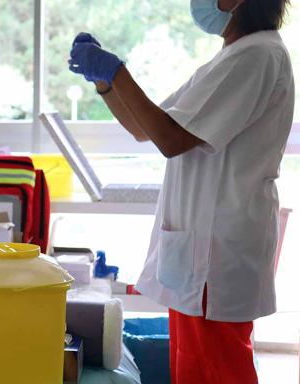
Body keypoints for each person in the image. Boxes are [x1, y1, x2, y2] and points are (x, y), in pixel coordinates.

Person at [68, 0, 294, 383]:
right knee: (192, 370)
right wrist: (106, 84)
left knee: (218, 371)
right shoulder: (232, 57)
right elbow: (147, 128)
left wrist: (117, 71)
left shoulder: (257, 55)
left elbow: (172, 140)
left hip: (215, 255)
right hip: (198, 251)